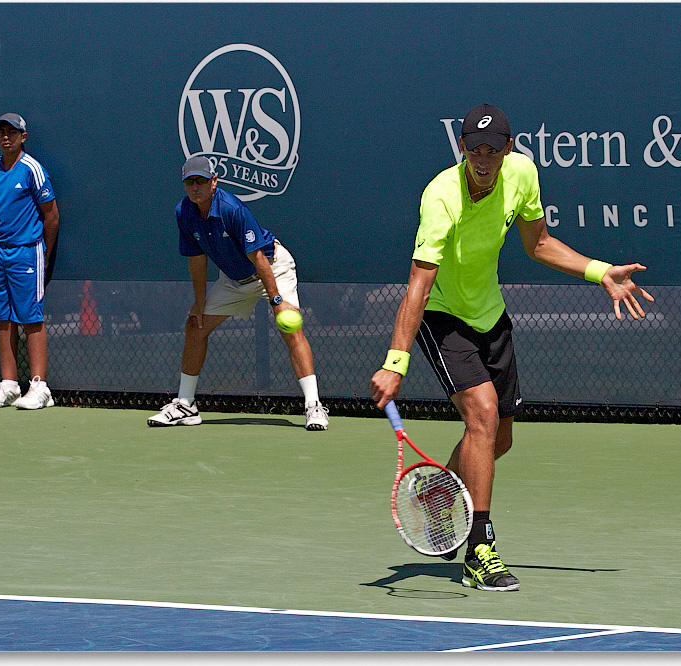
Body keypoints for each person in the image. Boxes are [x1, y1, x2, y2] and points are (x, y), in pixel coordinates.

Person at [370, 104, 654, 592]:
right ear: (462, 148)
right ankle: (480, 548)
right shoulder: (440, 197)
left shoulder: (521, 174)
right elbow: (418, 283)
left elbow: (538, 242)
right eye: (475, 148)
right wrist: (396, 362)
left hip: (490, 313)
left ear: (509, 148)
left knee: (498, 439)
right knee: (481, 415)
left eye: (493, 148)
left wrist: (599, 271)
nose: (484, 158)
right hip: (443, 316)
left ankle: (441, 491)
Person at [148, 156, 329, 430]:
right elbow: (196, 259)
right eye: (190, 182)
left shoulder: (232, 209)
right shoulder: (184, 212)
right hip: (234, 280)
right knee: (195, 326)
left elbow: (258, 257)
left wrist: (277, 301)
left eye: (202, 181)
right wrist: (199, 302)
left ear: (214, 182)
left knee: (290, 328)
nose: (196, 187)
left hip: (271, 268)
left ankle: (314, 406)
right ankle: (186, 405)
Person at [0, 113, 60, 410]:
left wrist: (44, 253)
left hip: (27, 252)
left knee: (31, 318)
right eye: (0, 131)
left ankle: (40, 387)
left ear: (23, 137)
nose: (5, 137)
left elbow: (51, 216)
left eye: (12, 132)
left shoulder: (32, 169)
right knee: (3, 317)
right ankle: (9, 384)